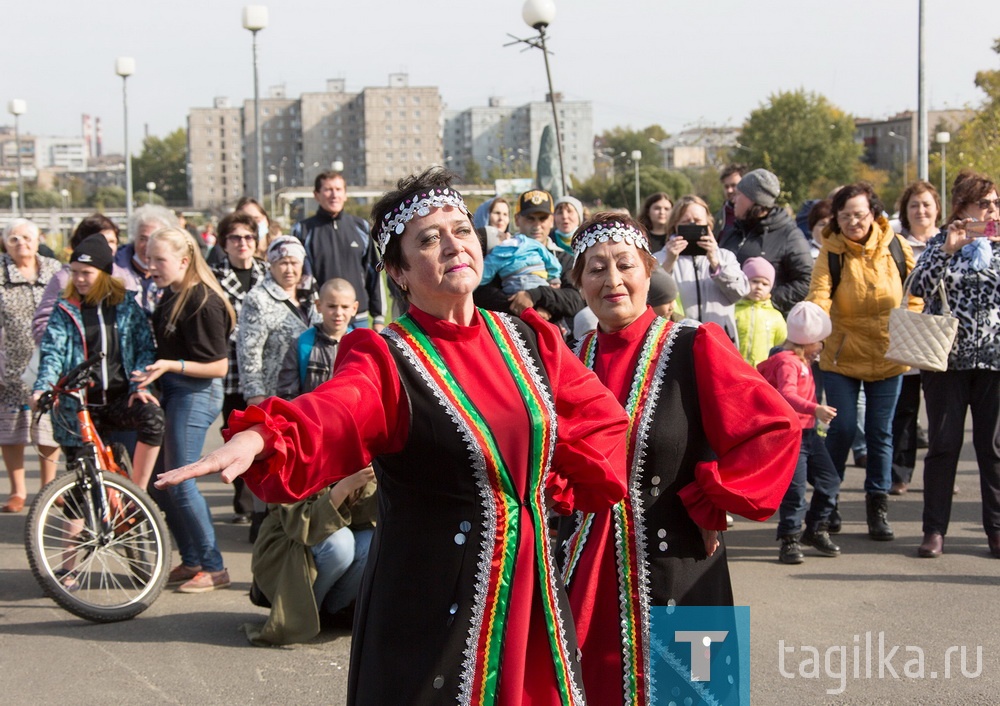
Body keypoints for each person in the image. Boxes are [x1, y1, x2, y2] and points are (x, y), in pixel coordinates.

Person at [156, 167, 629, 704]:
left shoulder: (527, 338)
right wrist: (265, 437)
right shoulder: (387, 356)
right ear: (399, 273)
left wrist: (550, 490)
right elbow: (338, 408)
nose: (454, 245)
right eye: (429, 238)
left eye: (460, 229)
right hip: (435, 598)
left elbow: (600, 418)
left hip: (529, 587)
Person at [560, 212, 799, 705]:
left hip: (683, 560)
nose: (612, 280)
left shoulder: (695, 344)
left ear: (649, 271)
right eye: (595, 268)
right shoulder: (568, 359)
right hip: (589, 571)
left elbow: (773, 425)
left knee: (697, 690)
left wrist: (713, 495)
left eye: (624, 264)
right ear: (578, 281)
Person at [806, 182, 921, 541]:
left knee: (880, 433)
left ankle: (877, 506)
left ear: (874, 213)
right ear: (836, 219)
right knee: (840, 429)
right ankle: (829, 500)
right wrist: (814, 331)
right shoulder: (832, 251)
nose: (853, 221)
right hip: (842, 355)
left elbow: (916, 290)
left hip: (889, 354)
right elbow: (819, 295)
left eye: (860, 213)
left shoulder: (897, 246)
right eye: (845, 216)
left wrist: (910, 322)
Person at [134, 227, 235, 593]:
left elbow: (219, 367)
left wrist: (169, 365)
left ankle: (214, 567)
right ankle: (192, 559)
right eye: (149, 259)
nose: (151, 266)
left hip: (197, 392)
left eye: (158, 260)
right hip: (175, 391)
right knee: (165, 485)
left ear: (183, 260)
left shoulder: (203, 300)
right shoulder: (169, 296)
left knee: (181, 482)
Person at [908, 170, 1000, 559]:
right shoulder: (939, 245)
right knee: (943, 447)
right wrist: (947, 251)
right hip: (946, 361)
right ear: (962, 208)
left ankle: (996, 531)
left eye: (996, 203)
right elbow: (917, 287)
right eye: (985, 203)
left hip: (994, 361)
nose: (992, 209)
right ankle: (934, 531)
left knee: (993, 449)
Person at [32, 236, 164, 489]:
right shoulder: (65, 308)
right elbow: (52, 353)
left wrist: (140, 387)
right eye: (75, 273)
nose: (79, 279)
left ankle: (138, 493)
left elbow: (145, 348)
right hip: (80, 406)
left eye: (86, 273)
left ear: (104, 273)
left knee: (153, 418)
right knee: (84, 489)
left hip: (119, 399)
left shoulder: (126, 305)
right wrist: (41, 389)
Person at [247, 465, 376, 646]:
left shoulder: (361, 452)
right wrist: (345, 487)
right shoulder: (301, 453)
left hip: (327, 537)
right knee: (340, 544)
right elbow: (303, 526)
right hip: (288, 543)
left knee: (372, 542)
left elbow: (362, 519)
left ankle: (332, 612)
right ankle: (301, 614)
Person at [757, 301, 841, 563]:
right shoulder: (788, 363)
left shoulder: (802, 361)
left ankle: (816, 528)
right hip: (793, 437)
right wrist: (815, 409)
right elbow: (787, 394)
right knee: (795, 492)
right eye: (820, 342)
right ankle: (790, 538)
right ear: (808, 341)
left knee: (830, 482)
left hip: (810, 435)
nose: (822, 348)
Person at [0, 219, 62, 513]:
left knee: (48, 428)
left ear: (39, 239)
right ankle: (17, 490)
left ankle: (50, 488)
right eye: (13, 239)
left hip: (48, 362)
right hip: (9, 364)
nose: (21, 243)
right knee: (11, 430)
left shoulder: (54, 269)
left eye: (27, 237)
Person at [211, 211, 267, 524]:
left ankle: (258, 500)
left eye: (247, 237)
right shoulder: (214, 276)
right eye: (235, 238)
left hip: (262, 371)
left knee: (259, 435)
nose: (242, 243)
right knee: (233, 434)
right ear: (224, 243)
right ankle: (242, 502)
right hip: (230, 369)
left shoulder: (266, 272)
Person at [475, 189, 586, 334]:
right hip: (509, 336)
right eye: (530, 218)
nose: (537, 225)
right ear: (517, 220)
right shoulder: (503, 251)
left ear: (551, 220)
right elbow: (482, 294)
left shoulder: (562, 258)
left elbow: (574, 300)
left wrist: (537, 295)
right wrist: (527, 309)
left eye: (542, 218)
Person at [890, 181, 941, 495]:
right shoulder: (896, 244)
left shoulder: (951, 241)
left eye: (926, 204)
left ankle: (939, 476)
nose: (921, 211)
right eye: (914, 205)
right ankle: (900, 474)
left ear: (937, 208)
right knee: (905, 410)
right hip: (907, 333)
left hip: (941, 336)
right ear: (905, 212)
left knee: (940, 413)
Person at [293, 172, 383, 330]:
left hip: (357, 318)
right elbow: (298, 277)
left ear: (345, 194)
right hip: (321, 318)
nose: (334, 195)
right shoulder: (303, 230)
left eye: (338, 189)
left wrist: (378, 317)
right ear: (316, 195)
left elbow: (373, 273)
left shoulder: (361, 227)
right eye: (328, 189)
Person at [32, 213, 141, 345]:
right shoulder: (64, 278)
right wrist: (68, 346)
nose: (107, 246)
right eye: (100, 240)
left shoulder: (125, 277)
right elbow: (42, 323)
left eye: (112, 241)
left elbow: (137, 321)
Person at [718, 168, 814, 314]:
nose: (734, 200)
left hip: (767, 329)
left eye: (739, 194)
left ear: (753, 200)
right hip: (728, 322)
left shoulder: (789, 235)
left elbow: (806, 281)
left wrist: (765, 300)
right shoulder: (734, 231)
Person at [237, 236, 317, 408]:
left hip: (310, 391)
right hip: (274, 393)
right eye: (282, 262)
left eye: (294, 262)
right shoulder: (258, 299)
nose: (289, 269)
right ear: (271, 265)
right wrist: (255, 392)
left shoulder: (311, 295)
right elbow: (249, 350)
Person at [655, 194, 748, 342]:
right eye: (686, 222)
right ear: (675, 225)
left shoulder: (725, 257)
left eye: (698, 221)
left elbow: (739, 293)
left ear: (708, 225)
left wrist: (715, 262)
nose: (693, 225)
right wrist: (669, 262)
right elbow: (650, 299)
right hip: (678, 342)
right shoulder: (660, 258)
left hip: (719, 341)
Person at [277, 278, 358, 399]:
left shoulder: (359, 345)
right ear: (319, 306)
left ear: (354, 308)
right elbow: (287, 391)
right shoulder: (303, 344)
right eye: (332, 306)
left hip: (349, 415)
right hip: (309, 415)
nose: (338, 313)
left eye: (345, 307)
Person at [114, 204, 178, 316]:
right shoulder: (114, 270)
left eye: (154, 238)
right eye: (143, 239)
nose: (148, 246)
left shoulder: (177, 273)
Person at [734, 257, 787, 368]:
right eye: (754, 281)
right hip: (734, 369)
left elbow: (782, 345)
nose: (759, 287)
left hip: (762, 374)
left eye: (765, 284)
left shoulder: (775, 317)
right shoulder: (733, 311)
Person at [478, 231, 562, 295]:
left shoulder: (496, 253)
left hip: (515, 288)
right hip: (540, 284)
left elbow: (483, 277)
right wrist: (554, 278)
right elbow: (552, 261)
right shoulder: (530, 242)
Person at [714, 163, 747, 239]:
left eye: (734, 185)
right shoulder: (719, 218)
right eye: (726, 186)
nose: (729, 190)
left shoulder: (754, 213)